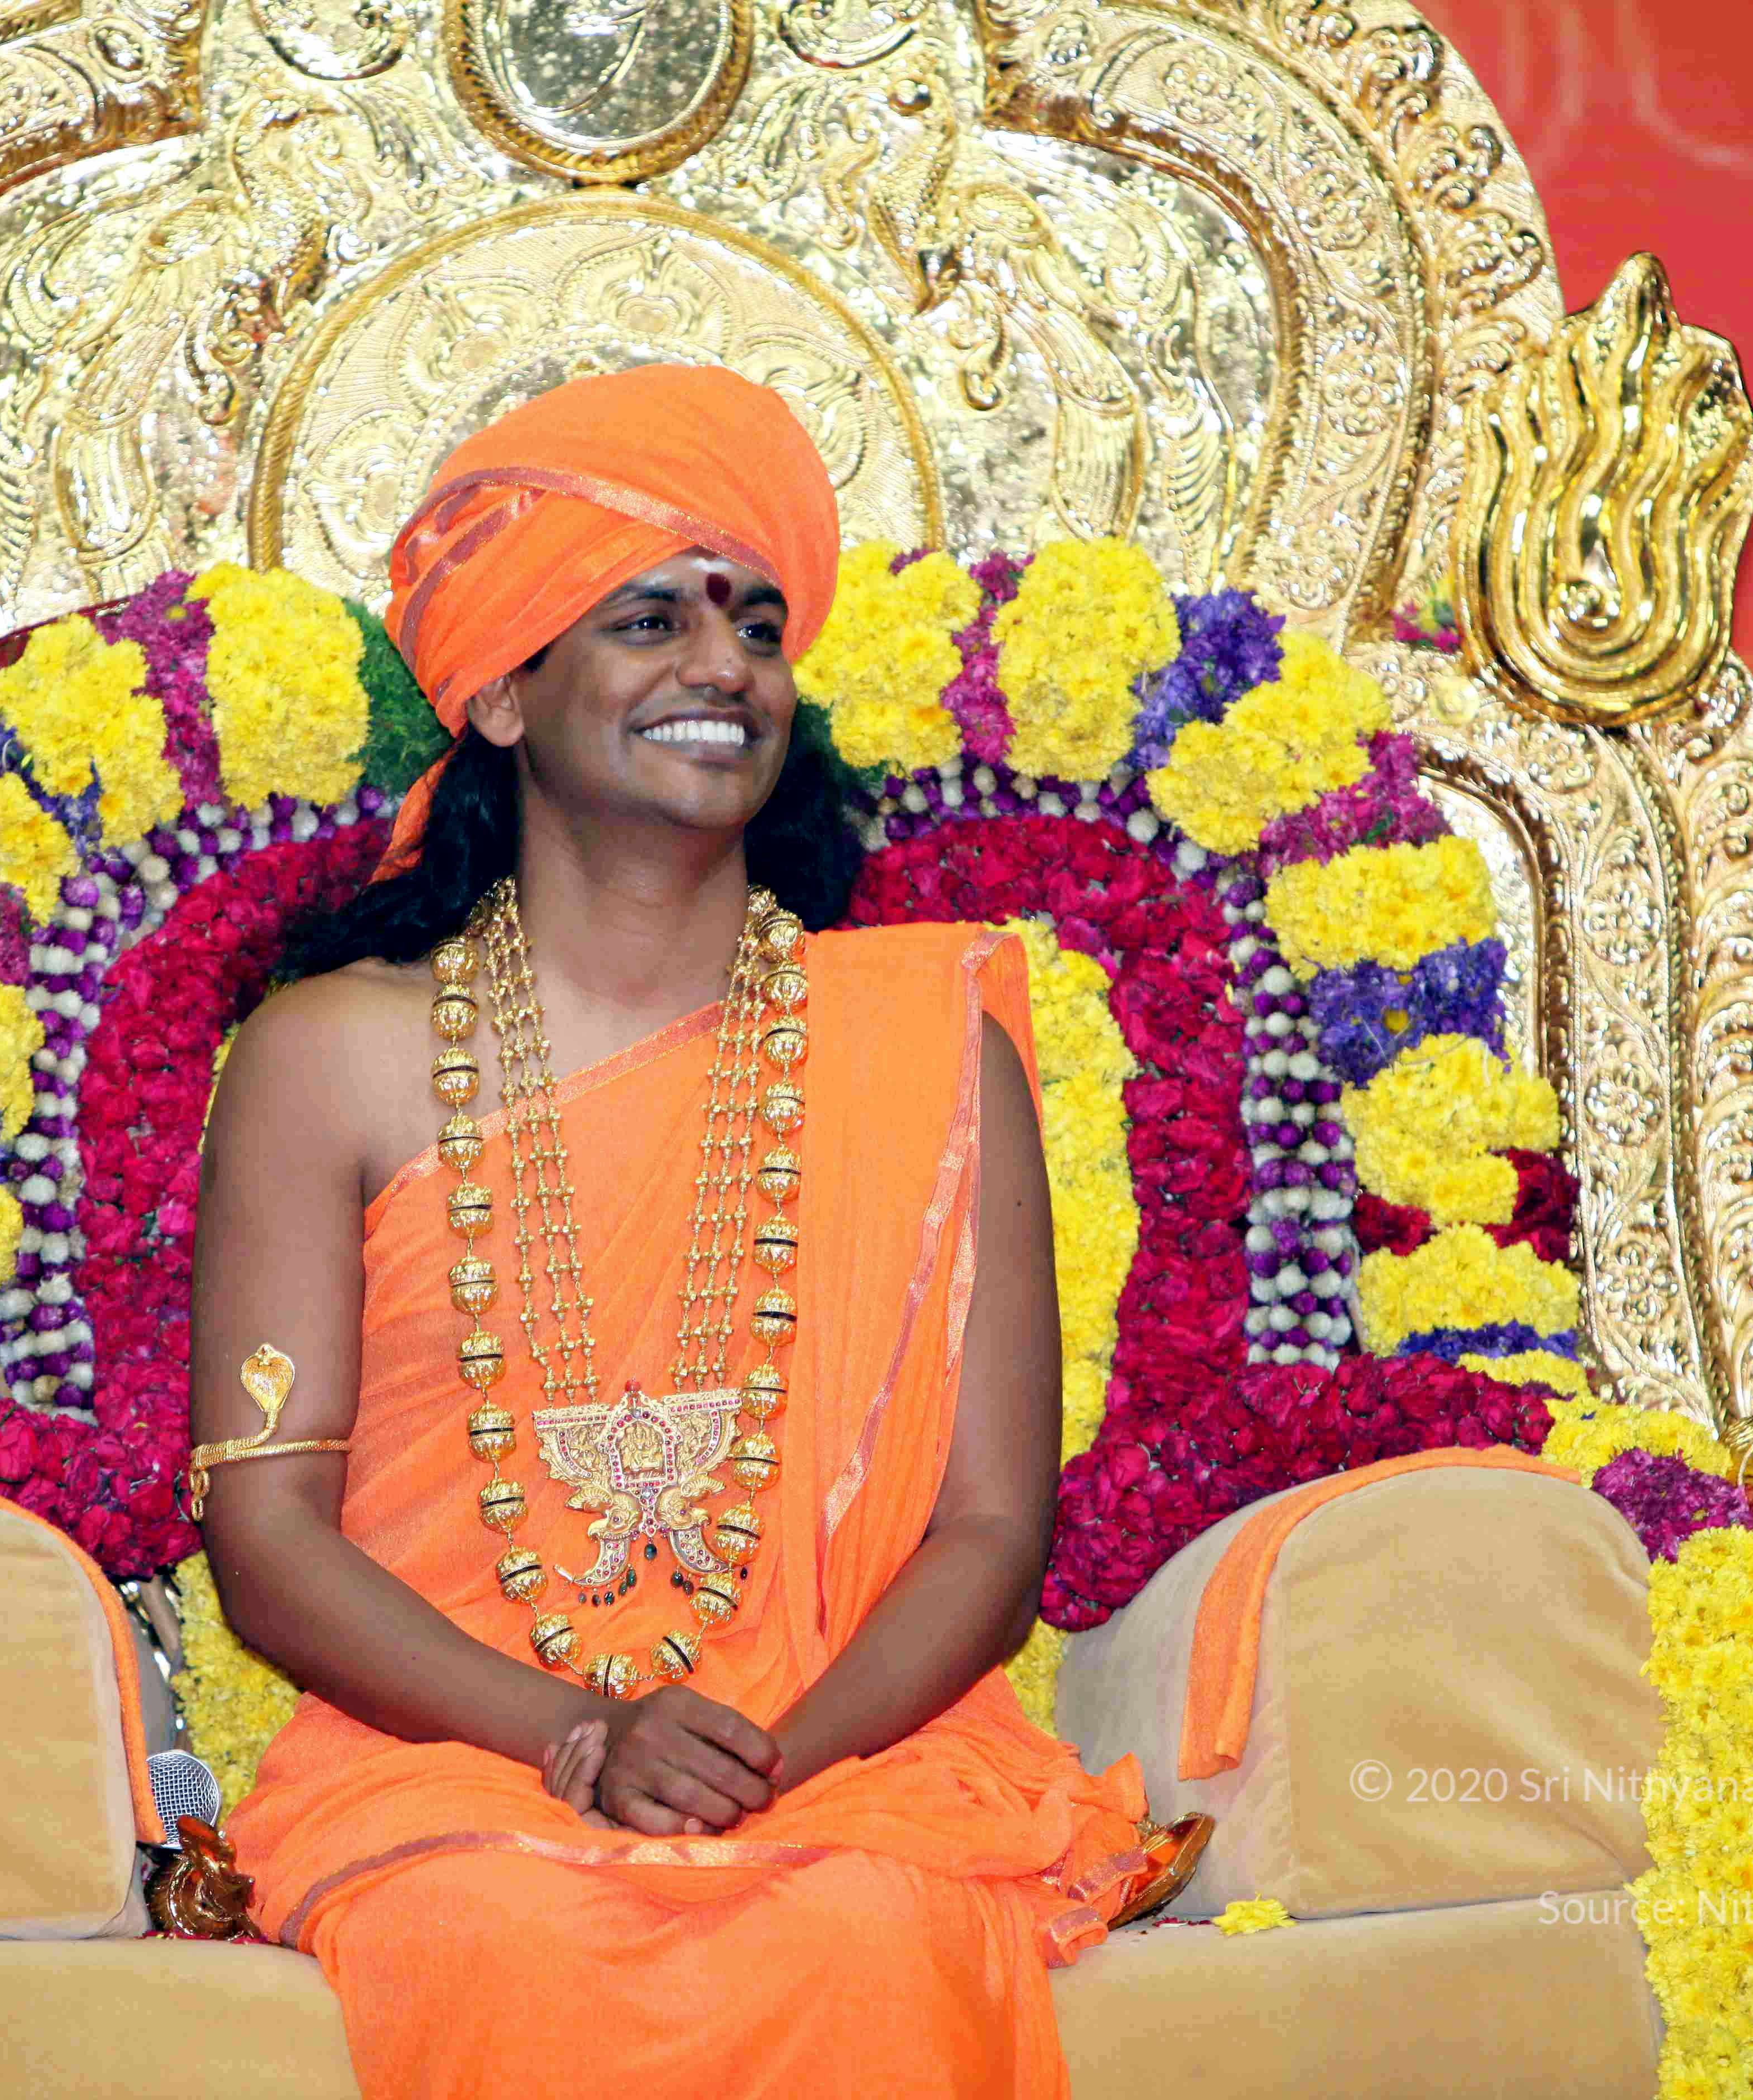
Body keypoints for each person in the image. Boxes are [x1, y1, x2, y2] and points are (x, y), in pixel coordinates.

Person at [192, 364, 1149, 2099]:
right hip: (463, 1760)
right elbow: (266, 1529)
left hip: (841, 1757)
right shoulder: (330, 1056)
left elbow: (992, 1527)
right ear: (501, 691)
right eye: (652, 620)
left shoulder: (928, 1050)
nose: (726, 668)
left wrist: (760, 1762)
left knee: (864, 1928)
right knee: (511, 1931)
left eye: (757, 628)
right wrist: (577, 1734)